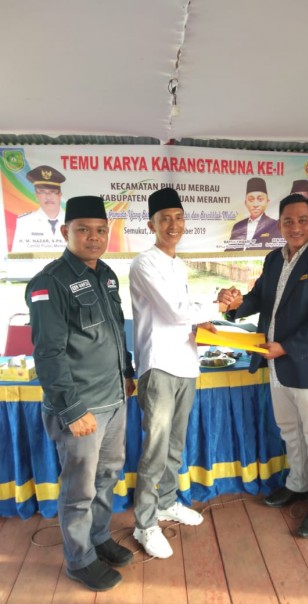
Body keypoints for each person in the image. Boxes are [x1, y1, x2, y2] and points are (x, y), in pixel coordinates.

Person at [25, 195, 135, 592]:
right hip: (82, 408)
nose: (93, 237)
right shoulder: (49, 282)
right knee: (79, 488)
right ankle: (79, 559)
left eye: (100, 230)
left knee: (107, 476)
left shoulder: (106, 274)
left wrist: (127, 373)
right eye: (83, 229)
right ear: (64, 232)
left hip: (114, 400)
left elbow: (115, 331)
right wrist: (72, 409)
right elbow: (48, 354)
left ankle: (98, 536)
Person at [219, 193, 308, 538]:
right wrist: (234, 304)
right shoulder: (274, 258)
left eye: (303, 220)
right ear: (280, 225)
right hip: (275, 363)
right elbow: (260, 298)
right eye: (288, 221)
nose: (295, 227)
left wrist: (286, 347)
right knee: (289, 430)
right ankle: (298, 484)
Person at [129, 187, 227, 559]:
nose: (173, 225)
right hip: (158, 366)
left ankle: (167, 502)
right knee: (155, 449)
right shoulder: (144, 263)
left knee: (174, 445)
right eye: (165, 219)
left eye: (179, 217)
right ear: (151, 224)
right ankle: (144, 523)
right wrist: (216, 306)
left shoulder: (178, 264)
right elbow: (173, 311)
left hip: (186, 363)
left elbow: (183, 312)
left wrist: (202, 324)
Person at [13, 165, 67, 252]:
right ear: (36, 195)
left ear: (60, 195)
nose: (48, 197)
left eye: (53, 192)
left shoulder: (71, 221)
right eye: (42, 192)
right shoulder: (25, 222)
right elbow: (18, 255)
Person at [226, 177, 282, 250]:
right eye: (251, 200)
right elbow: (230, 250)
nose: (255, 204)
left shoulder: (274, 225)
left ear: (267, 202)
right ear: (246, 203)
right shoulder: (238, 226)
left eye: (260, 199)